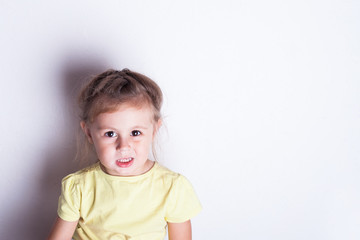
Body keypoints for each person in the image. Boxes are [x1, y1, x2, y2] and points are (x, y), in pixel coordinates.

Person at [47, 69, 202, 240]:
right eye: (110, 134)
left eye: (135, 133)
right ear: (89, 133)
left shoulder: (172, 188)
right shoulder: (79, 187)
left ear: (154, 130)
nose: (123, 146)